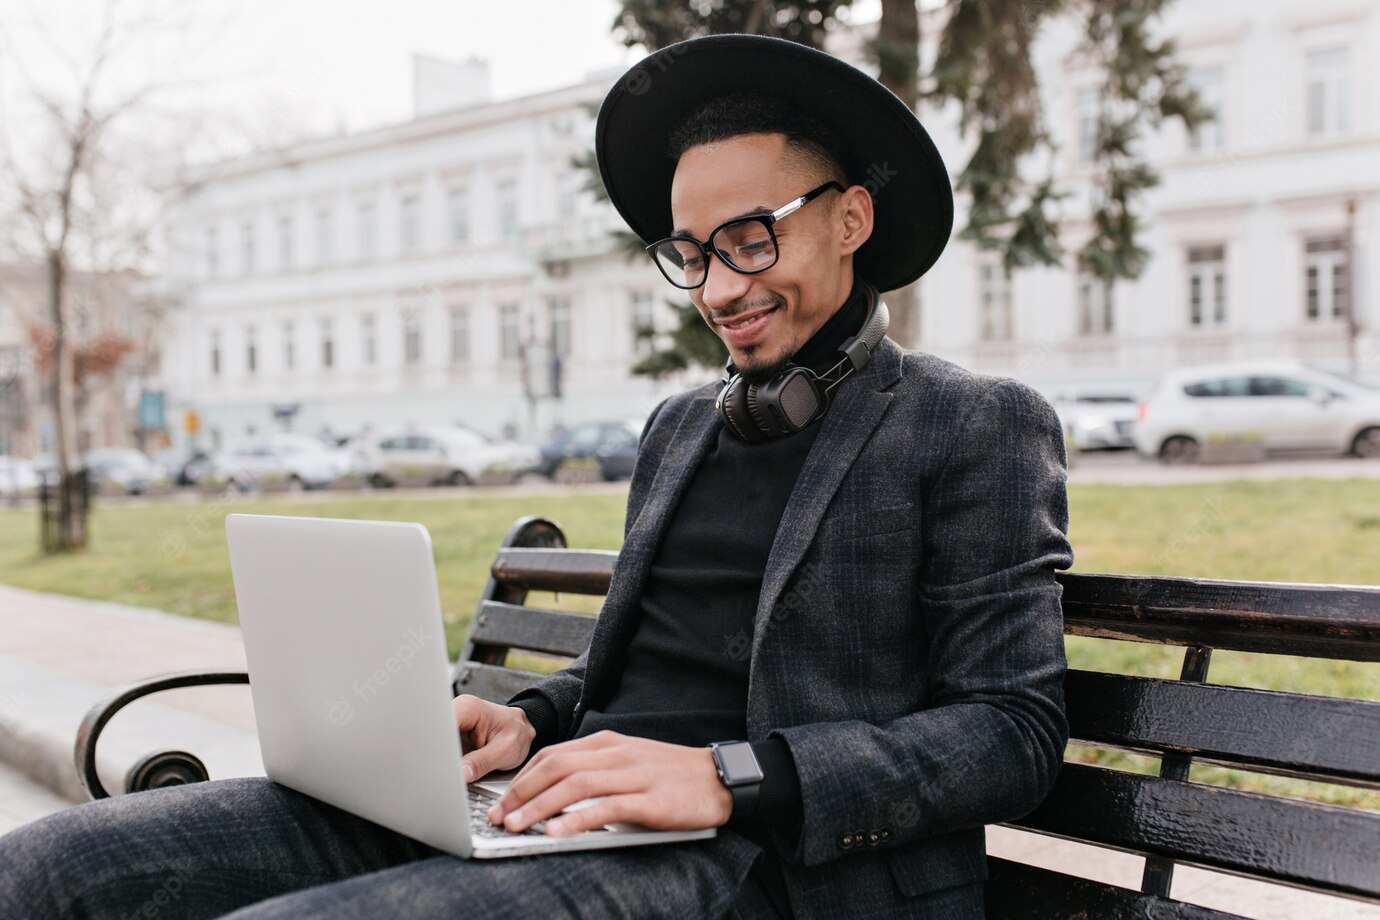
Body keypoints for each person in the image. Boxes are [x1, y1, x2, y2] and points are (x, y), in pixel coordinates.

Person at [0, 34, 1072, 919]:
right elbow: (645, 671)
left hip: (763, 864)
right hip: (555, 803)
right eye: (691, 252)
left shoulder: (972, 425)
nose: (715, 287)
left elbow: (1012, 730)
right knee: (45, 867)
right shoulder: (677, 428)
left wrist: (729, 775)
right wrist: (532, 716)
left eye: (749, 239)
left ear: (851, 218)